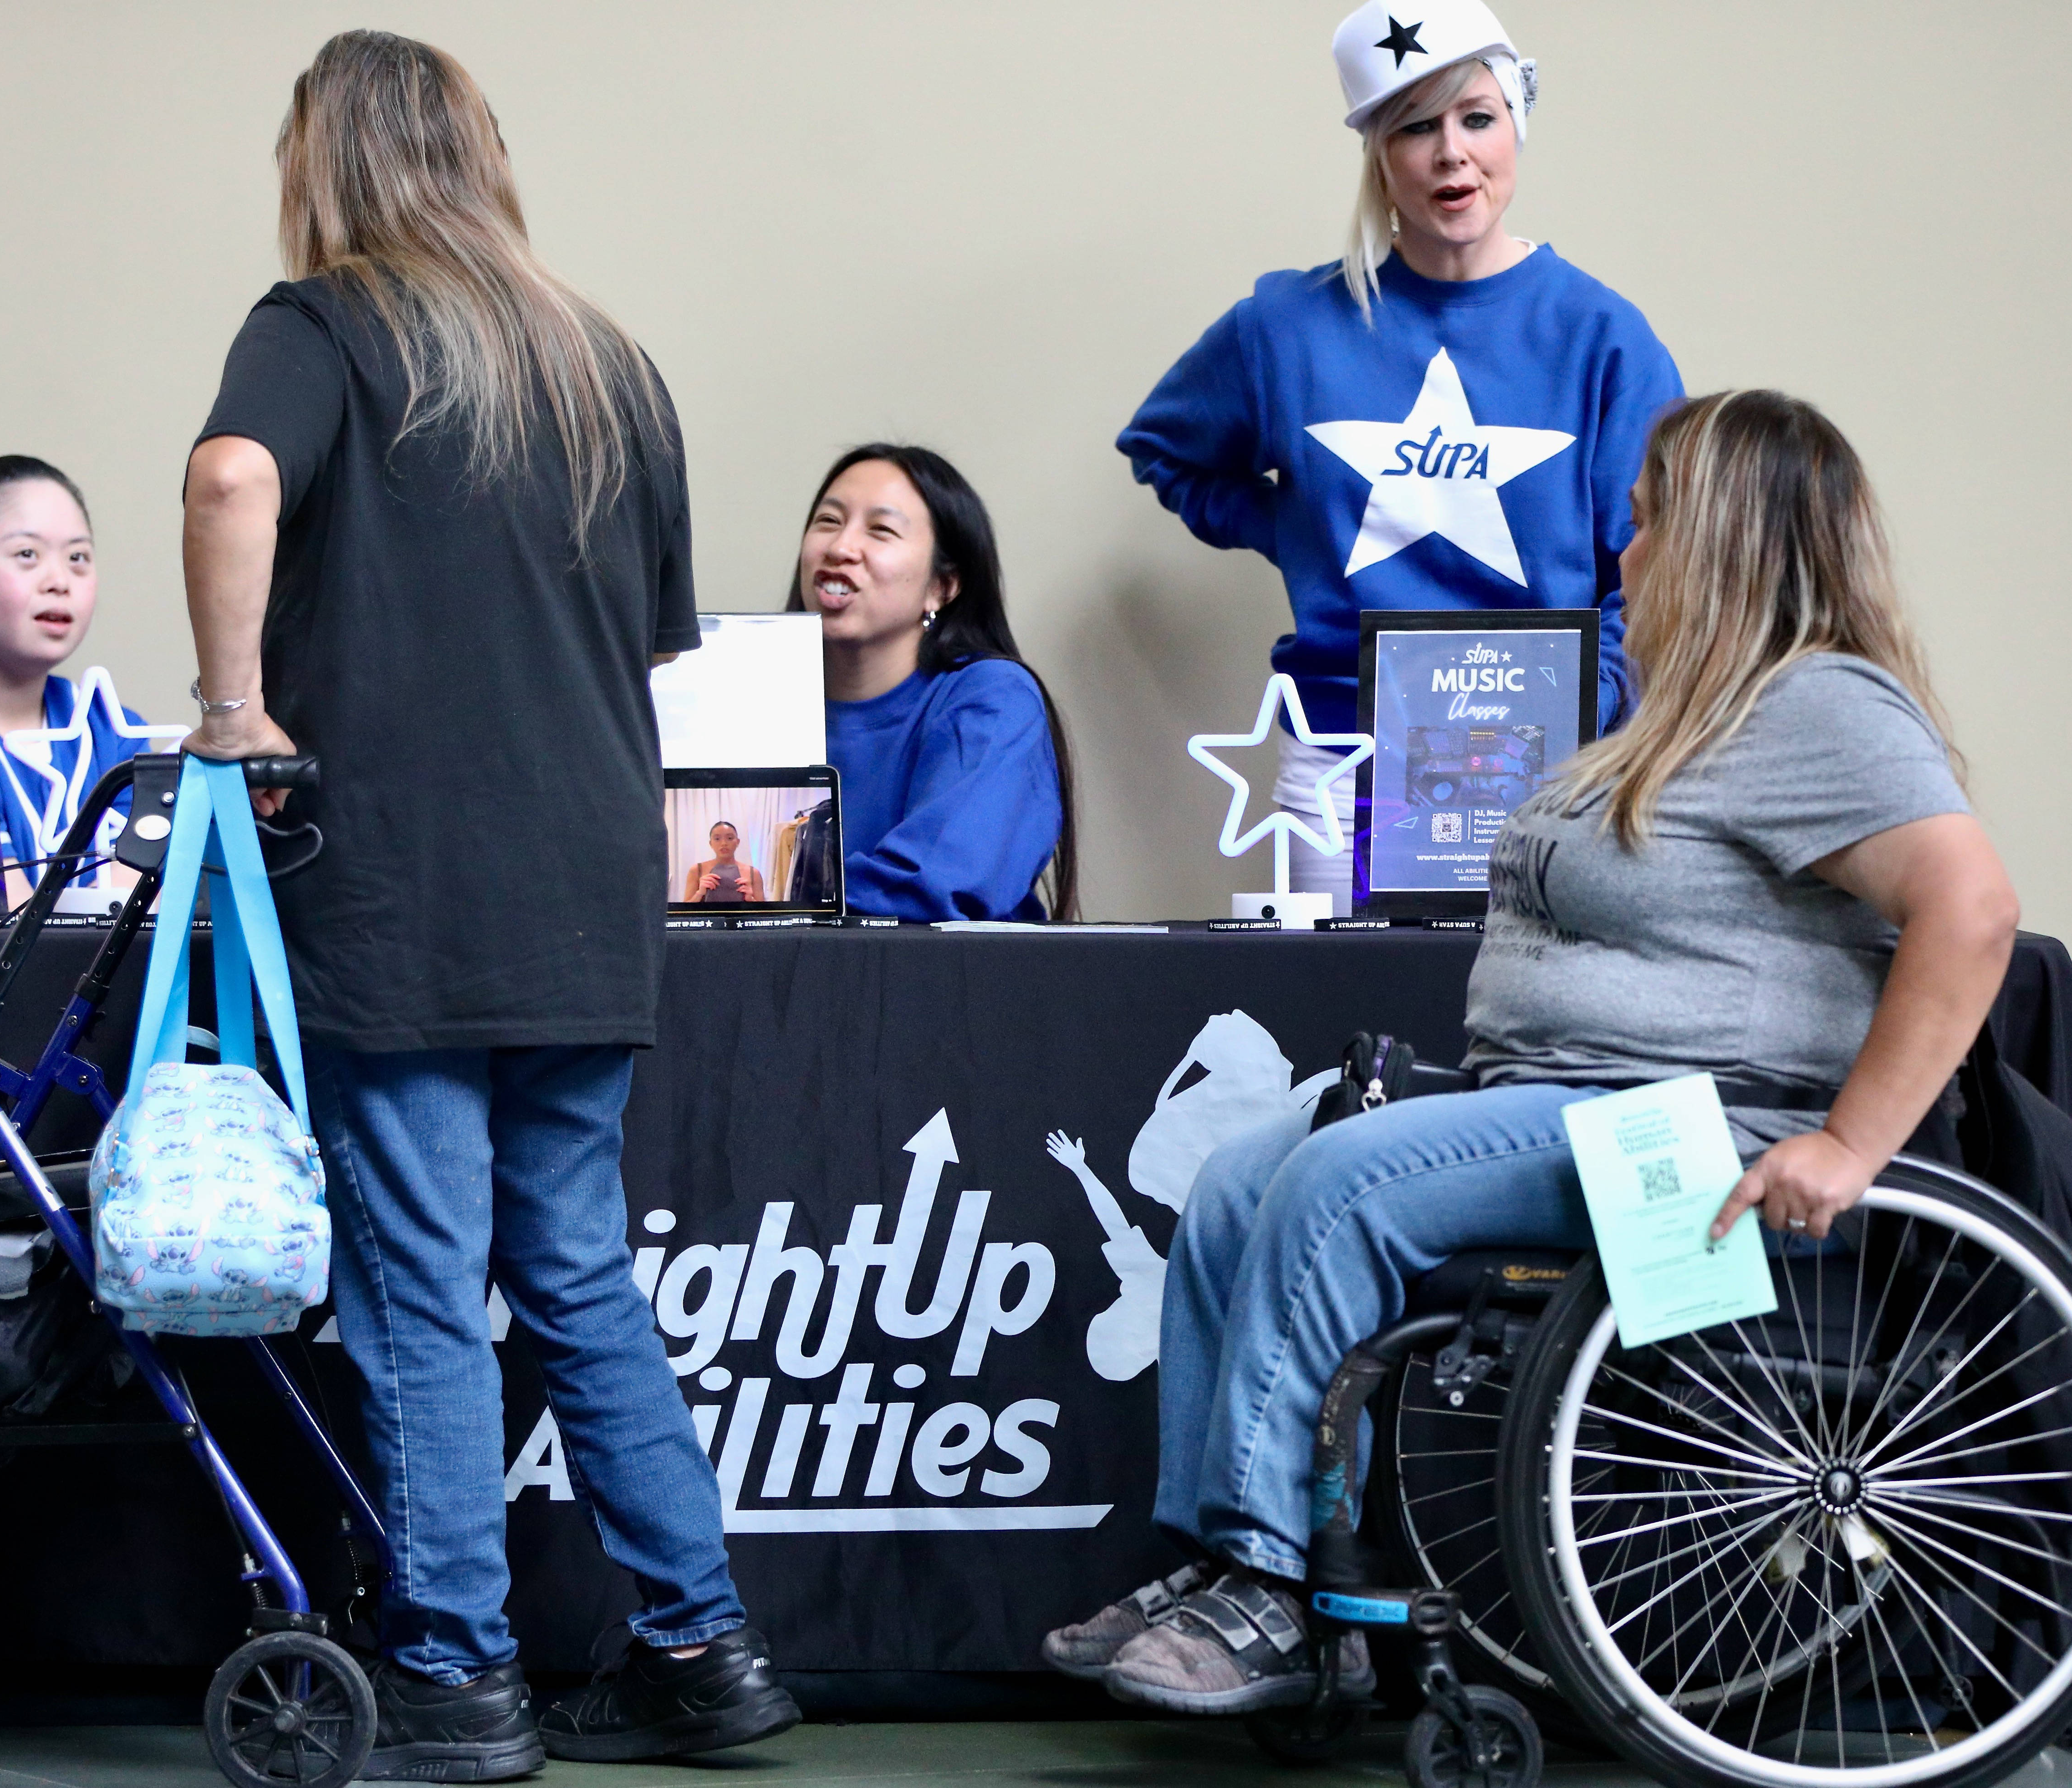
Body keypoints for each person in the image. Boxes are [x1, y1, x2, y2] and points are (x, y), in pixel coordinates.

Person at [1044, 389, 2019, 1714]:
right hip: (1563, 1103)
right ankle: (1223, 1555)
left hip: (1689, 1136)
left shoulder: (1820, 706)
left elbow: (1970, 908)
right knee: (1235, 1178)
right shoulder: (1679, 713)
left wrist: (1849, 1145)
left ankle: (1268, 1588)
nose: (1623, 555)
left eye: (1643, 526)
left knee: (1339, 1190)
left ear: (1718, 538)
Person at [176, 31, 796, 1778]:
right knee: (579, 1276)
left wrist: (235, 705)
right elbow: (648, 647)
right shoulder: (607, 364)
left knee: (423, 1291)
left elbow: (231, 479)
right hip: (588, 882)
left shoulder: (320, 326)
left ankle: (457, 1671)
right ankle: (708, 1652)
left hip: (401, 885)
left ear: (328, 159)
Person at [1116, 0, 1682, 903]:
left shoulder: (1605, 339)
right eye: (1415, 126)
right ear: (1377, 155)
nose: (1450, 152)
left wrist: (1583, 696)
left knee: (1529, 1036)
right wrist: (1295, 531)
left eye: (1476, 118)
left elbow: (1663, 568)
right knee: (1333, 1033)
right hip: (1342, 760)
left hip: (1543, 759)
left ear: (1515, 125)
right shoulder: (1286, 329)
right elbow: (1162, 449)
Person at [787, 443, 1077, 921]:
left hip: (948, 991)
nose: (840, 548)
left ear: (942, 587)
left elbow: (935, 885)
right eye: (828, 522)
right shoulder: (747, 699)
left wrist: (766, 901)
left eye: (880, 530)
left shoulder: (992, 699)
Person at [0, 457, 179, 892]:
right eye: (27, 555)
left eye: (78, 557)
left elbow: (128, 918)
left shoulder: (114, 732)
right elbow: (4, 931)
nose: (59, 580)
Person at [682, 821, 763, 903]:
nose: (724, 843)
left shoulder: (753, 873)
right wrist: (699, 894)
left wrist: (751, 899)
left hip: (741, 916)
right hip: (707, 916)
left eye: (730, 838)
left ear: (738, 842)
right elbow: (683, 912)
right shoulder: (697, 870)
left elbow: (765, 913)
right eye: (717, 839)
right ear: (711, 844)